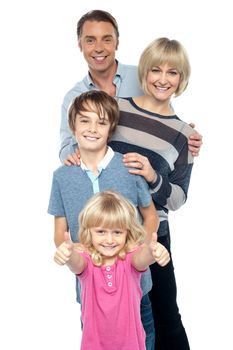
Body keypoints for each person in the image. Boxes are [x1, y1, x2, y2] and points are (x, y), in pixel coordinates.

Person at [65, 37, 196, 350]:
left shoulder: (184, 135)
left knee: (166, 316)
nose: (163, 79)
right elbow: (90, 140)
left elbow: (178, 198)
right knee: (108, 318)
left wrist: (152, 175)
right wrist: (73, 156)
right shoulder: (118, 110)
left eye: (173, 73)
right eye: (156, 70)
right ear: (144, 74)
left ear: (182, 78)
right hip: (106, 237)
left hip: (151, 236)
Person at [48, 90, 170, 350]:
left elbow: (150, 218)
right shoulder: (62, 176)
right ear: (72, 126)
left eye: (101, 122)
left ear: (111, 128)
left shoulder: (128, 168)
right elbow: (60, 232)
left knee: (142, 338)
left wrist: (142, 248)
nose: (92, 129)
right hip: (91, 291)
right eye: (85, 121)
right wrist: (70, 249)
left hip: (135, 286)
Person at [60, 9, 202, 164]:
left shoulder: (145, 78)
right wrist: (74, 154)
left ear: (117, 43)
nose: (98, 48)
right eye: (90, 40)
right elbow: (66, 149)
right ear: (80, 44)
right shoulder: (73, 97)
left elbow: (162, 116)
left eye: (106, 39)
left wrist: (181, 136)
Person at [54, 190, 169, 350]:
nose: (109, 240)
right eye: (101, 232)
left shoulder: (131, 258)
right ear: (89, 231)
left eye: (117, 232)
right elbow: (76, 263)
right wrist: (68, 254)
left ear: (127, 233)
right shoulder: (87, 260)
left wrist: (154, 252)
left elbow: (142, 259)